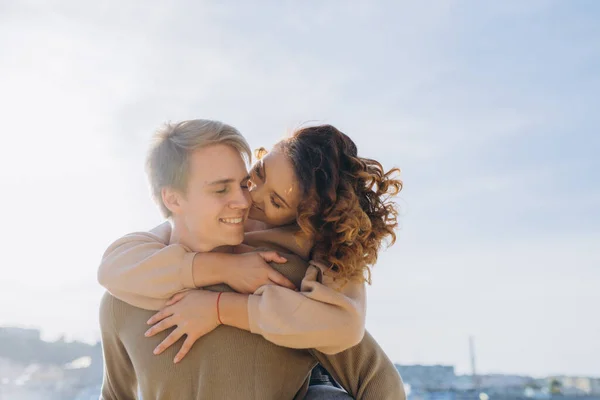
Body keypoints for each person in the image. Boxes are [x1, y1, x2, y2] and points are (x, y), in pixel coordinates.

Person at [99, 120, 405, 399]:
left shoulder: (283, 278)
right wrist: (222, 268)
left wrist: (221, 307)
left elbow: (371, 370)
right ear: (173, 199)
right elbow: (114, 394)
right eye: (250, 179)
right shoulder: (125, 295)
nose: (247, 200)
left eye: (274, 200)